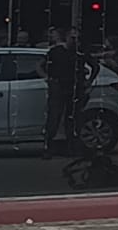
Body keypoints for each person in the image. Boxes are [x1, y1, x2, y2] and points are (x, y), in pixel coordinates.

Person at [40, 27, 99, 157]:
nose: (75, 41)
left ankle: (72, 148)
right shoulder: (56, 52)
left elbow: (95, 66)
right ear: (66, 38)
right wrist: (47, 78)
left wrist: (89, 82)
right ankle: (48, 148)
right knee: (53, 118)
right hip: (59, 87)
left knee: (73, 119)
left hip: (75, 88)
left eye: (78, 38)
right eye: (73, 38)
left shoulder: (81, 53)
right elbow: (40, 65)